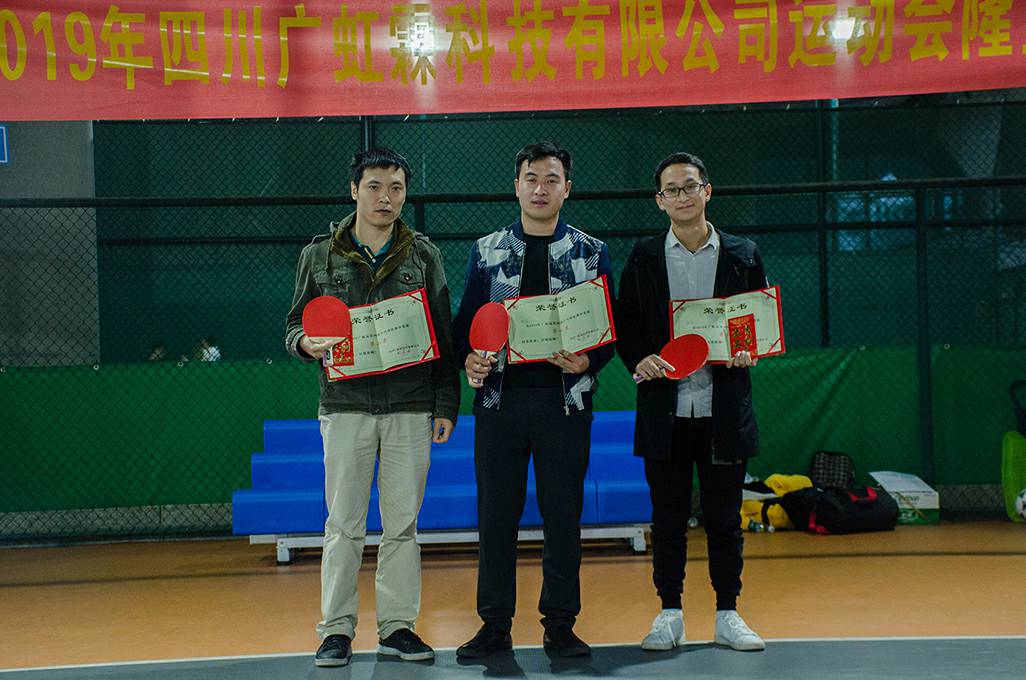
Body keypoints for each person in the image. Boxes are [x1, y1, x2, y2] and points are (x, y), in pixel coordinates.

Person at [285, 147, 460, 667]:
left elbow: (444, 336)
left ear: (405, 193)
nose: (386, 197)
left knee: (403, 525)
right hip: (345, 407)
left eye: (396, 188)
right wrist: (305, 344)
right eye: (375, 187)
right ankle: (336, 630)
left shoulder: (424, 255)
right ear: (354, 190)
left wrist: (445, 405)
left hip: (411, 406)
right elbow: (294, 324)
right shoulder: (318, 255)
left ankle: (397, 627)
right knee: (343, 525)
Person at [452, 141, 615, 659]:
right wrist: (470, 360)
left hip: (565, 406)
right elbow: (464, 328)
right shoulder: (487, 250)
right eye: (531, 178)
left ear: (567, 188)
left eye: (551, 179)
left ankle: (560, 626)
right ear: (517, 186)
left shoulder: (591, 252)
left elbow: (608, 333)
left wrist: (590, 361)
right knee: (495, 518)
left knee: (563, 517)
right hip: (499, 406)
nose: (540, 188)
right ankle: (494, 625)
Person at [615, 152, 768, 653]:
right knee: (668, 520)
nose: (682, 196)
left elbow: (754, 321)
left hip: (724, 411)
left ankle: (728, 614)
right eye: (671, 190)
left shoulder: (744, 254)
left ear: (707, 191)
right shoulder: (643, 257)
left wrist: (748, 350)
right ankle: (669, 614)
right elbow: (626, 325)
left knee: (725, 520)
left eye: (690, 186)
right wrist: (640, 359)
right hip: (666, 412)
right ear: (660, 201)